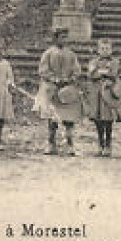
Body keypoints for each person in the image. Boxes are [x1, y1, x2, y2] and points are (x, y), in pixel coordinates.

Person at [34, 27, 83, 155]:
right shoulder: (48, 53)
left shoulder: (71, 54)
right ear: (55, 38)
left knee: (69, 119)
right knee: (52, 118)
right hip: (52, 88)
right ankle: (51, 144)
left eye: (66, 37)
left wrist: (70, 79)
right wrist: (53, 79)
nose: (64, 40)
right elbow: (43, 70)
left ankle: (70, 145)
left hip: (67, 89)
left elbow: (77, 70)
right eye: (62, 37)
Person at [86, 38, 121, 157]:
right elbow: (91, 74)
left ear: (111, 50)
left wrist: (102, 73)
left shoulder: (115, 61)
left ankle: (108, 144)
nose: (105, 51)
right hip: (96, 92)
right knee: (98, 119)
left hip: (109, 92)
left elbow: (113, 73)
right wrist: (102, 72)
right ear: (98, 50)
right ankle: (100, 144)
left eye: (107, 49)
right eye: (102, 48)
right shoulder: (93, 61)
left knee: (108, 119)